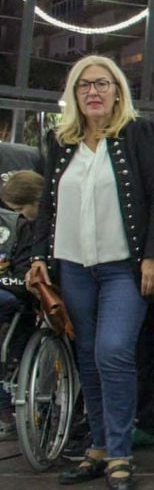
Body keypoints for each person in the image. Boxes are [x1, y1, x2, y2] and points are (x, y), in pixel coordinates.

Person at [28, 55, 154, 490]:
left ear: (117, 91)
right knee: (87, 354)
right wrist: (38, 255)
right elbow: (48, 204)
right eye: (85, 85)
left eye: (103, 84)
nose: (94, 91)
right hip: (73, 266)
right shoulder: (59, 141)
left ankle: (122, 453)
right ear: (73, 94)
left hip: (122, 267)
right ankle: (101, 446)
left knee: (113, 351)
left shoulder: (138, 133)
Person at [0, 169, 43, 438]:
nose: (19, 213)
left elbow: (23, 280)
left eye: (20, 208)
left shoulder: (31, 228)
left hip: (21, 296)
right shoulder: (21, 225)